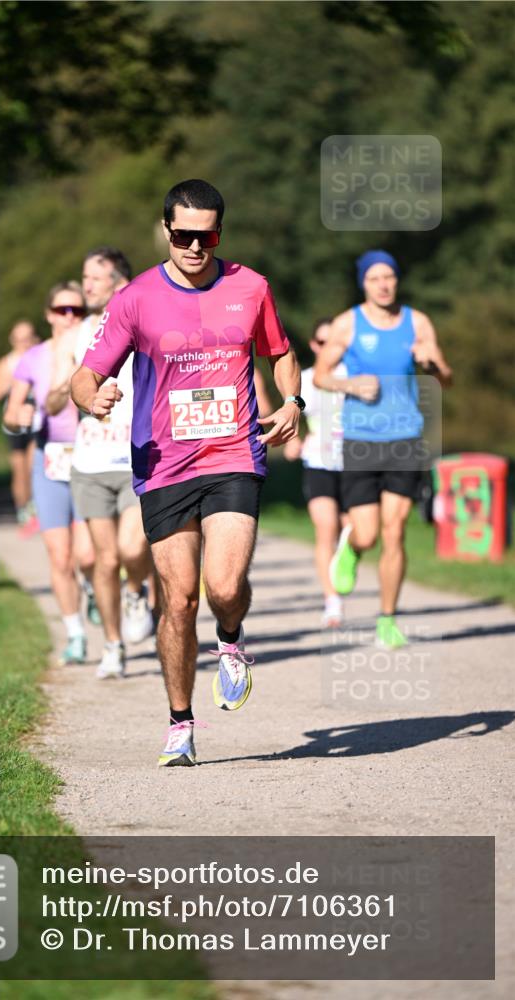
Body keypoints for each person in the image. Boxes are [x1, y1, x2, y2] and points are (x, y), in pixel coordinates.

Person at [70, 179, 302, 766]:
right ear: (166, 230)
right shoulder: (137, 297)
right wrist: (90, 398)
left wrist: (293, 402)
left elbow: (280, 353)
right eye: (184, 236)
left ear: (219, 232)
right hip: (164, 462)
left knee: (224, 588)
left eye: (208, 236)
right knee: (179, 600)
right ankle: (180, 724)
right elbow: (87, 371)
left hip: (233, 454)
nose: (196, 247)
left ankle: (231, 639)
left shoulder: (249, 286)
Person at [314, 250, 452, 648]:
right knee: (369, 533)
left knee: (395, 532)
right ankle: (353, 548)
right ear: (364, 283)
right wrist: (352, 385)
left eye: (389, 276)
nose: (384, 284)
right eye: (375, 278)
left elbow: (447, 378)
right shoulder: (347, 324)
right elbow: (322, 375)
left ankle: (387, 619)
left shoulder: (417, 322)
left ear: (396, 280)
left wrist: (431, 365)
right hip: (361, 439)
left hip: (406, 437)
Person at [47, 249, 154, 680]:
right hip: (89, 461)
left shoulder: (144, 323)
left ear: (119, 283)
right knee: (103, 560)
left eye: (94, 278)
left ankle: (135, 593)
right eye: (84, 277)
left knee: (131, 549)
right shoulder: (75, 336)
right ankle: (113, 644)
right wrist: (72, 386)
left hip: (134, 456)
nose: (86, 285)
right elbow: (54, 401)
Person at [4, 282, 92, 664]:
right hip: (49, 459)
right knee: (59, 556)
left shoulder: (97, 351)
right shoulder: (34, 358)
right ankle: (74, 634)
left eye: (76, 310)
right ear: (49, 315)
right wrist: (18, 417)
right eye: (61, 310)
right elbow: (10, 412)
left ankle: (96, 586)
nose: (68, 317)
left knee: (89, 556)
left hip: (92, 459)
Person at [284, 319, 348, 628]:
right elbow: (290, 417)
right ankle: (332, 601)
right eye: (322, 343)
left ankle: (348, 559)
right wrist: (293, 441)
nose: (328, 348)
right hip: (319, 463)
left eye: (333, 341)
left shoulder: (356, 378)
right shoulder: (306, 381)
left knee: (357, 532)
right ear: (313, 345)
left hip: (355, 466)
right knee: (327, 529)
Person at [0, 320, 39, 533]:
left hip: (37, 418)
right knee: (19, 470)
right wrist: (11, 383)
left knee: (34, 465)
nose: (24, 343)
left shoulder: (42, 356)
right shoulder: (6, 363)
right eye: (19, 339)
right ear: (12, 341)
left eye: (27, 338)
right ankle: (23, 510)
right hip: (14, 420)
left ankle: (37, 508)